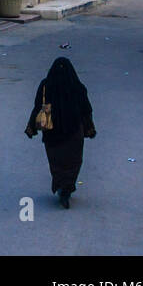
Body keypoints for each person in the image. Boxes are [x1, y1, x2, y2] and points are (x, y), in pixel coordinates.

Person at [26, 56, 96, 208]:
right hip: (74, 132)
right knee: (73, 161)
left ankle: (60, 185)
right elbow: (86, 110)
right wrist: (89, 128)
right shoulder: (78, 87)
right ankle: (67, 187)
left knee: (56, 161)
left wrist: (31, 127)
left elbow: (38, 106)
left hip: (52, 132)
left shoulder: (46, 85)